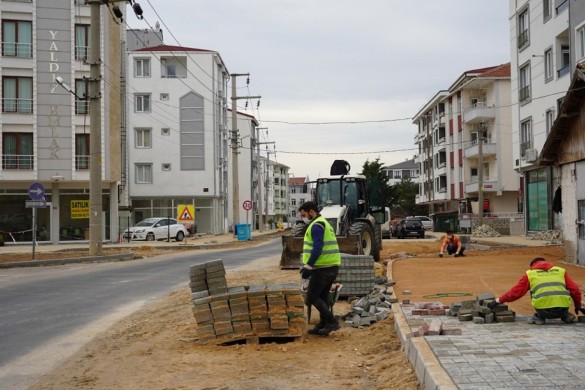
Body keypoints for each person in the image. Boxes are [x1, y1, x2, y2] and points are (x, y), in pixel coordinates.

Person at [488, 257, 585, 325]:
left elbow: (515, 293)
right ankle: (565, 316)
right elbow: (575, 290)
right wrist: (578, 306)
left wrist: (497, 301)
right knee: (559, 290)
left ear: (533, 265)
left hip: (544, 311)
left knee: (534, 289)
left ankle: (539, 316)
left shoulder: (530, 274)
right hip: (563, 309)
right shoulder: (560, 271)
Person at [298, 201, 341, 336]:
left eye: (304, 215)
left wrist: (309, 266)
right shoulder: (323, 223)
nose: (303, 218)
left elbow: (318, 247)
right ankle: (323, 324)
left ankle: (332, 321)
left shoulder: (316, 225)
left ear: (312, 212)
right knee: (322, 296)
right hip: (331, 266)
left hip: (323, 268)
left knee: (312, 297)